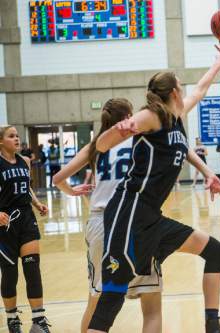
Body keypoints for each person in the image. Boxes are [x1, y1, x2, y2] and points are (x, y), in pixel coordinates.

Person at [88, 48, 220, 333]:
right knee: (112, 297)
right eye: (181, 84)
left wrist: (218, 62)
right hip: (128, 212)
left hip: (151, 217)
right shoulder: (150, 116)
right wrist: (119, 129)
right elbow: (102, 146)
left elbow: (202, 89)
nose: (185, 88)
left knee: (215, 251)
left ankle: (212, 325)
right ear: (175, 92)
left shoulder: (176, 116)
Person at [53, 99, 165, 333]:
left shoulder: (96, 145)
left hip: (100, 222)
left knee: (96, 298)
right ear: (128, 116)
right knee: (151, 299)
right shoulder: (140, 139)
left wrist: (72, 191)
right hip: (134, 218)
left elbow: (57, 179)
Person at [0, 125, 50, 333]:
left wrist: (37, 204)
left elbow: (26, 188)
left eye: (17, 135)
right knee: (10, 274)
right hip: (5, 223)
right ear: (1, 142)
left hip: (26, 219)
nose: (17, 139)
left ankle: (38, 320)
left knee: (32, 268)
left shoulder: (25, 161)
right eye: (11, 136)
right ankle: (12, 319)